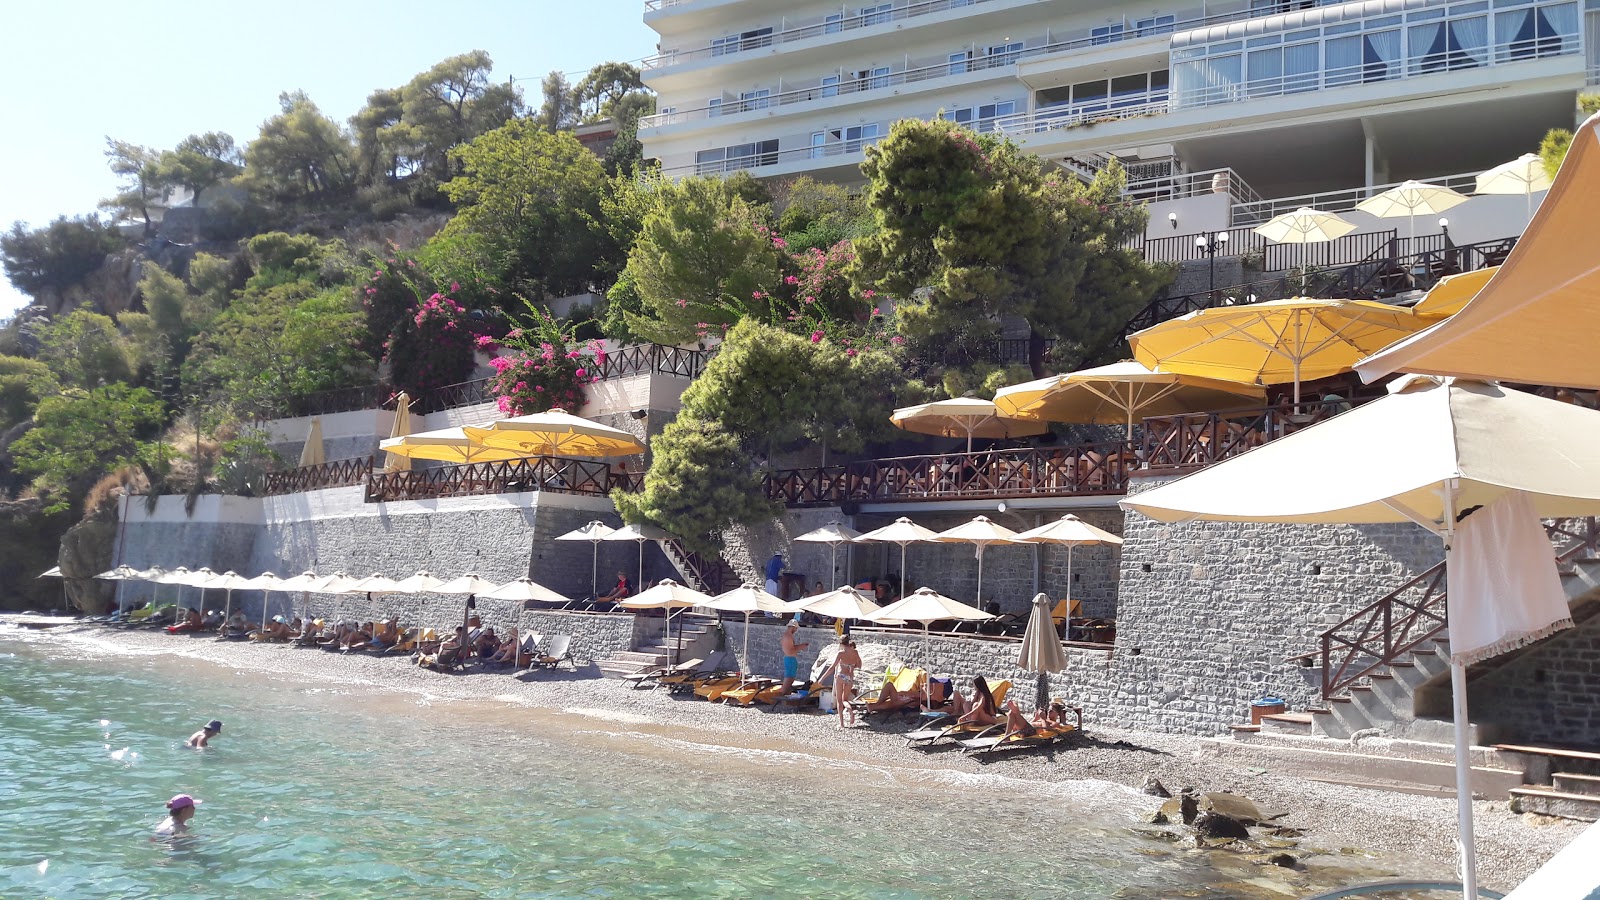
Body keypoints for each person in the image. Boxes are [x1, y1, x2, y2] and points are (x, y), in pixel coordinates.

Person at [814, 637, 862, 727]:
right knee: (845, 699)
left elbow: (832, 667)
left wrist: (822, 678)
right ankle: (850, 711)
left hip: (841, 676)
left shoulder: (841, 653)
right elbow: (859, 664)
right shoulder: (855, 652)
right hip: (849, 677)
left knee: (839, 700)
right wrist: (851, 667)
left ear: (841, 644)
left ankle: (841, 723)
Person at [777, 620, 809, 697]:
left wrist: (800, 646)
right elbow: (790, 650)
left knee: (790, 678)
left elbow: (791, 648)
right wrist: (801, 647)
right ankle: (781, 695)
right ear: (793, 627)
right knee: (789, 678)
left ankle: (786, 695)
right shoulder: (788, 637)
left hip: (790, 658)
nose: (796, 630)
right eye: (796, 628)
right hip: (790, 658)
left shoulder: (787, 636)